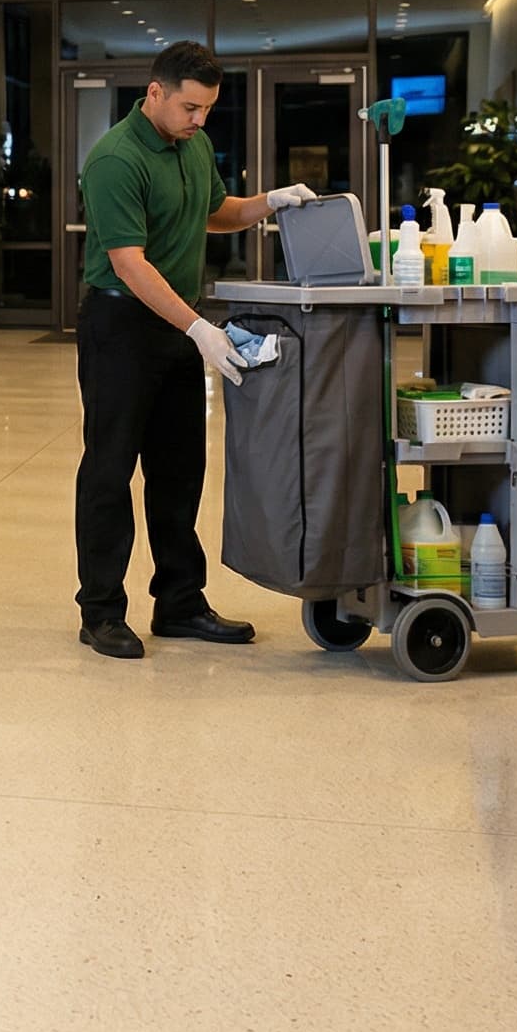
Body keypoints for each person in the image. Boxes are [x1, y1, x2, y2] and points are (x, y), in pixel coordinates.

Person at [72, 41, 315, 660]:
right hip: (121, 326)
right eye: (189, 107)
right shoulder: (114, 159)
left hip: (176, 324)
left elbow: (216, 212)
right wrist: (201, 330)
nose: (198, 119)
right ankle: (100, 611)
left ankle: (179, 602)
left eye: (206, 109)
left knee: (179, 471)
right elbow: (128, 264)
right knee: (109, 470)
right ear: (154, 93)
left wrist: (269, 203)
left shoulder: (193, 145)